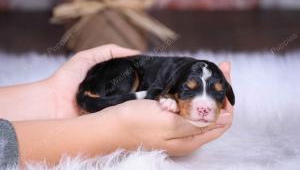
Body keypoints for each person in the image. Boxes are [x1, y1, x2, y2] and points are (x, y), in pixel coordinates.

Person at [0, 44, 234, 168]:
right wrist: (117, 129)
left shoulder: (179, 77)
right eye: (187, 90)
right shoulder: (168, 82)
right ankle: (102, 102)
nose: (205, 106)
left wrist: (52, 95)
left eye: (217, 94)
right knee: (127, 72)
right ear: (172, 87)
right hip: (104, 83)